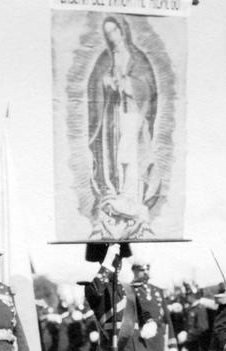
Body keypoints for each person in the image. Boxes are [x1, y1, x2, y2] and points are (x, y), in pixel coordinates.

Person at [88, 16, 159, 238]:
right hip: (114, 115)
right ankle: (116, 195)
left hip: (133, 114)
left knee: (131, 157)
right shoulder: (105, 59)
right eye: (108, 34)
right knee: (116, 157)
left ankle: (131, 199)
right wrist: (105, 83)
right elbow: (95, 85)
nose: (112, 37)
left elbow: (148, 87)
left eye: (115, 31)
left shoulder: (137, 57)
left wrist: (128, 84)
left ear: (123, 30)